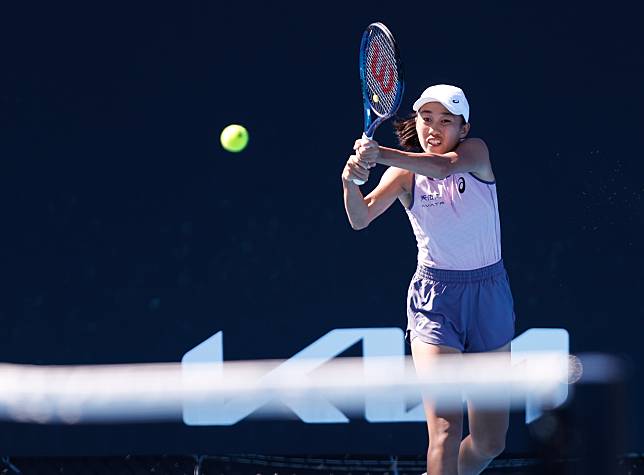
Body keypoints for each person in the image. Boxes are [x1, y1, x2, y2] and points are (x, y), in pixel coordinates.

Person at [341, 84, 516, 475]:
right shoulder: (403, 174)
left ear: (463, 129)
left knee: (491, 441)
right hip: (435, 302)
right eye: (426, 118)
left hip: (489, 296)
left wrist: (378, 153)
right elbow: (360, 218)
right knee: (444, 430)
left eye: (445, 121)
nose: (433, 128)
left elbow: (443, 167)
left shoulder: (476, 153)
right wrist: (351, 181)